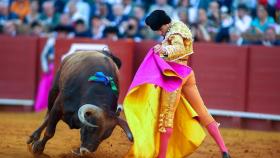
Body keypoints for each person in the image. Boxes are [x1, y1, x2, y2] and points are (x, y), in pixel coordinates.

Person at [124, 10, 231, 158]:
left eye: (160, 29)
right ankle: (224, 149)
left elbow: (178, 48)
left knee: (166, 117)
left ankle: (162, 157)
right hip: (186, 73)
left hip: (174, 77)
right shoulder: (178, 26)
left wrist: (164, 49)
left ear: (165, 23)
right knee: (202, 111)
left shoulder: (174, 33)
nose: (160, 33)